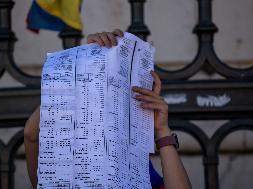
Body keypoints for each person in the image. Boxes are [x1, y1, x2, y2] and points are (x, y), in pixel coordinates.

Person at [24, 29, 192, 189]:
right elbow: (32, 134)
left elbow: (31, 134)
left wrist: (162, 129)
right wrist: (84, 62)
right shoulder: (68, 172)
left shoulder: (133, 169)